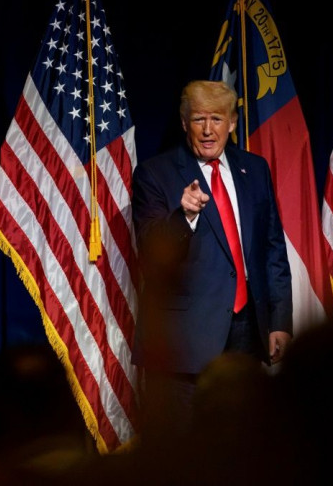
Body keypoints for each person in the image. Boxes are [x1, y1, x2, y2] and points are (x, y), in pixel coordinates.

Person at [130, 80, 293, 443]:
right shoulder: (155, 173)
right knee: (183, 453)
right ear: (184, 123)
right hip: (182, 346)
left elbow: (271, 249)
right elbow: (150, 251)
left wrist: (279, 320)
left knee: (243, 445)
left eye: (217, 119)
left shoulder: (255, 169)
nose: (208, 130)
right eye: (199, 119)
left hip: (247, 333)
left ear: (232, 123)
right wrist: (183, 216)